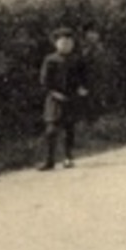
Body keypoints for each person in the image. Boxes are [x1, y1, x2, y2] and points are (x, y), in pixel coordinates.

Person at [39, 27, 87, 170]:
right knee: (51, 129)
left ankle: (68, 157)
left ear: (73, 44)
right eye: (62, 42)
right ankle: (49, 160)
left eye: (69, 42)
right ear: (56, 44)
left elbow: (84, 77)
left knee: (69, 128)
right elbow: (44, 81)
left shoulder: (77, 59)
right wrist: (54, 93)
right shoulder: (50, 60)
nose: (66, 45)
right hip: (54, 98)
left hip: (72, 98)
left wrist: (82, 88)